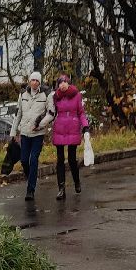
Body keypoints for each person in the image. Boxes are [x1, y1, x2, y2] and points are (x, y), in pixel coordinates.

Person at [10, 70, 53, 200]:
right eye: (32, 80)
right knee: (24, 160)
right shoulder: (23, 94)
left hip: (38, 133)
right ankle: (31, 178)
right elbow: (18, 114)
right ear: (29, 81)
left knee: (33, 160)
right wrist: (13, 132)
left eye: (37, 80)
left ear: (40, 82)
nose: (34, 82)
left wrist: (39, 125)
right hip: (24, 132)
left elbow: (51, 113)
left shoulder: (46, 95)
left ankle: (31, 190)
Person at [49, 73, 88, 201]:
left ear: (68, 83)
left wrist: (85, 127)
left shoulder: (76, 95)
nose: (62, 84)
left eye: (64, 82)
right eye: (60, 83)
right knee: (60, 160)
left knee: (71, 159)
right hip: (59, 129)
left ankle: (77, 182)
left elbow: (81, 113)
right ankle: (61, 189)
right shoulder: (56, 97)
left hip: (72, 129)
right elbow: (51, 112)